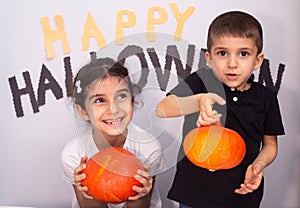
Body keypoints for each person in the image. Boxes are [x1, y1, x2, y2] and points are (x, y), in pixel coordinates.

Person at [156, 11, 285, 208]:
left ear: (258, 60)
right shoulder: (201, 81)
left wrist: (259, 165)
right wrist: (198, 101)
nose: (232, 63)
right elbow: (163, 109)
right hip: (194, 194)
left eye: (243, 54)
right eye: (222, 53)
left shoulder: (265, 98)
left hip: (241, 195)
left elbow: (270, 145)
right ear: (209, 57)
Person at [61, 57, 165, 208]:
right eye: (100, 100)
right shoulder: (73, 154)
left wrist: (141, 194)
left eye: (121, 96)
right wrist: (85, 188)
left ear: (132, 101)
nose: (113, 109)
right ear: (83, 111)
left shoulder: (149, 148)